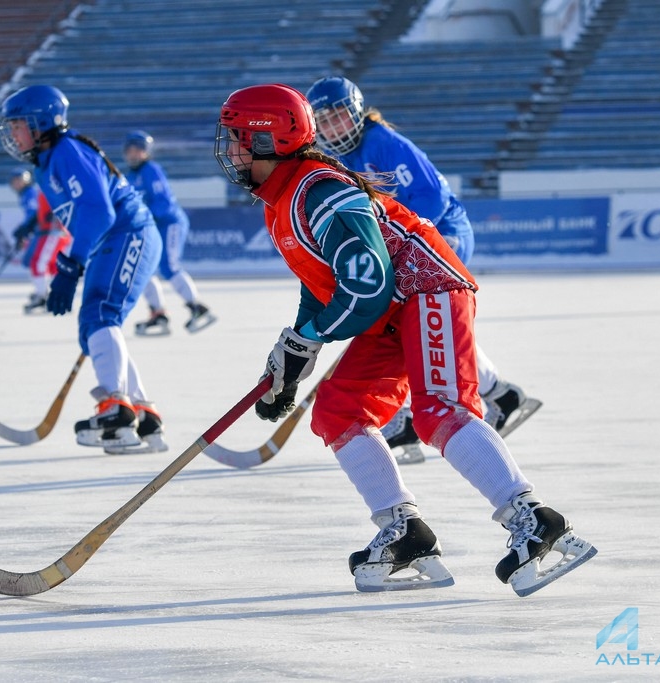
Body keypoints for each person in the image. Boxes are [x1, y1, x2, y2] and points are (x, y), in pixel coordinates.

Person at [214, 83, 596, 596]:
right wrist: (296, 349)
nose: (229, 149)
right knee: (336, 410)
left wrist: (308, 339)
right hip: (392, 309)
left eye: (237, 137)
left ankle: (537, 522)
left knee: (438, 408)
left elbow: (366, 288)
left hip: (427, 290)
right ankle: (406, 533)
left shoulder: (319, 191)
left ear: (268, 140)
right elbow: (319, 285)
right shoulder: (281, 199)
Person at [306, 76, 539, 459]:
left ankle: (415, 415)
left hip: (441, 235)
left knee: (416, 320)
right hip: (407, 247)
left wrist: (396, 249)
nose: (333, 128)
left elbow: (431, 198)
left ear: (357, 112)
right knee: (408, 324)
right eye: (325, 121)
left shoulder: (383, 143)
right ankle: (497, 393)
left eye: (339, 117)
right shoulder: (341, 159)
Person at [0, 84, 166, 454]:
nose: (13, 134)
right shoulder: (49, 161)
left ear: (41, 122)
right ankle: (141, 413)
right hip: (114, 238)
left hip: (128, 233)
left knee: (100, 315)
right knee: (96, 325)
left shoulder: (66, 151)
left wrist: (72, 263)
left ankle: (117, 411)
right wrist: (74, 261)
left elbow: (100, 211)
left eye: (18, 126)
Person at [122, 130, 217, 336]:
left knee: (169, 266)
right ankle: (158, 313)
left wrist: (141, 218)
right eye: (129, 150)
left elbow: (163, 204)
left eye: (137, 150)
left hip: (169, 223)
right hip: (152, 226)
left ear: (146, 152)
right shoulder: (131, 176)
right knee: (143, 269)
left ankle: (196, 307)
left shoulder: (151, 170)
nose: (132, 154)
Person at [9, 167, 72, 314]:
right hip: (48, 230)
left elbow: (38, 212)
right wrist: (27, 228)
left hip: (54, 231)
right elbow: (38, 213)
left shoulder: (40, 189)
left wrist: (27, 227)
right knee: (50, 265)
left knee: (38, 263)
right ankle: (54, 295)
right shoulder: (39, 189)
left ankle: (43, 296)